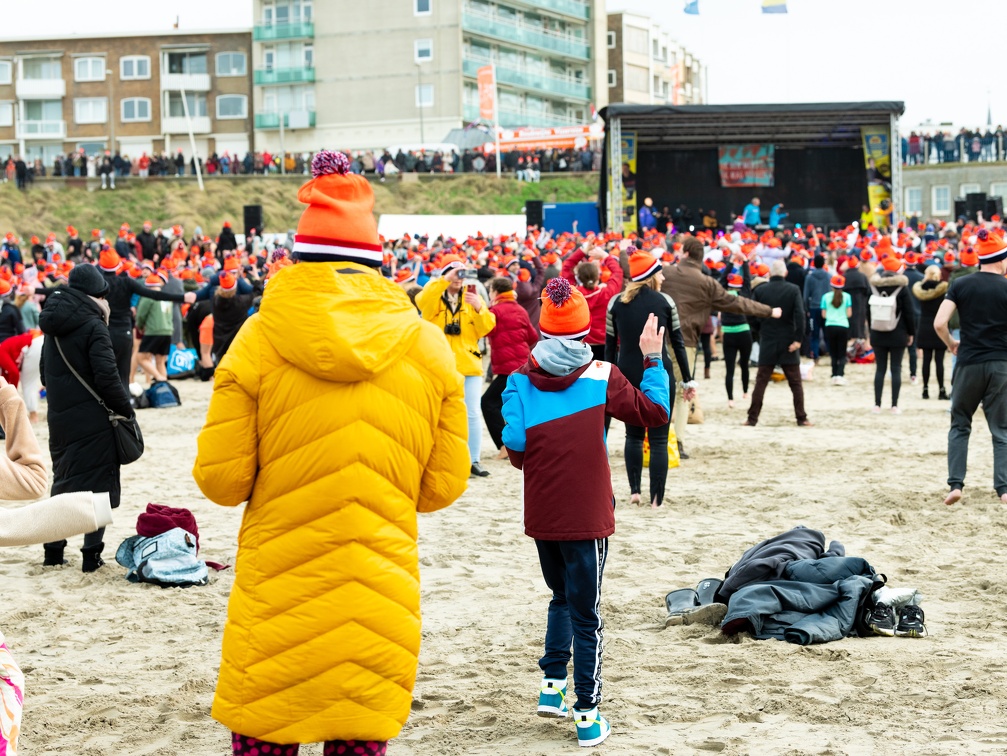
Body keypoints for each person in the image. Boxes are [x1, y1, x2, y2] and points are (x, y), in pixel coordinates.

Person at [193, 150, 470, 756]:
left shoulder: (260, 337)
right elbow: (441, 489)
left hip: (279, 597)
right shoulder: (425, 346)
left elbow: (221, 482)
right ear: (377, 259)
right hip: (376, 591)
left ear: (299, 254)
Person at [501, 283, 670, 749]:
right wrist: (653, 360)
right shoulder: (602, 375)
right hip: (587, 512)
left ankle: (552, 686)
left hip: (542, 508)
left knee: (559, 596)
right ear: (584, 331)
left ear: (542, 329)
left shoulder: (518, 379)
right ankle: (587, 714)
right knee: (587, 613)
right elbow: (654, 412)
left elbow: (515, 448)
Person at [39, 265, 136, 571]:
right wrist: (126, 410)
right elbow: (108, 378)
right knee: (99, 485)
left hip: (60, 417)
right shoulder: (95, 327)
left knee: (65, 482)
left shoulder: (52, 328)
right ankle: (91, 556)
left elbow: (44, 375)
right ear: (98, 296)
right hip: (95, 419)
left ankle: (52, 553)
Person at [662, 236, 779, 457]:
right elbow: (736, 303)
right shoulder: (706, 283)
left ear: (685, 253)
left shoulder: (665, 274)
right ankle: (677, 443)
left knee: (657, 390)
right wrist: (769, 311)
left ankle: (656, 439)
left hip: (657, 340)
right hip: (686, 342)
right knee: (682, 392)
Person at [607, 249, 695, 508]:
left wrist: (608, 379)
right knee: (658, 439)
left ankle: (635, 492)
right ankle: (657, 500)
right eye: (660, 273)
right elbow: (678, 344)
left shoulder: (616, 303)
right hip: (659, 370)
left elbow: (610, 346)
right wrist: (687, 379)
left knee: (632, 436)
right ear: (651, 276)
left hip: (626, 373)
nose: (664, 278)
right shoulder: (665, 301)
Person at [416, 255, 496, 477]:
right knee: (435, 413)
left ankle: (474, 460)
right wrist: (443, 279)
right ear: (444, 274)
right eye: (455, 272)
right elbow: (422, 302)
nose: (459, 277)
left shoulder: (471, 297)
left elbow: (486, 329)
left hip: (467, 363)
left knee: (471, 413)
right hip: (439, 364)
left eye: (462, 272)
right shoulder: (434, 296)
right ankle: (433, 460)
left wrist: (480, 309)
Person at [744, 260, 811, 427]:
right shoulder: (793, 289)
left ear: (769, 274)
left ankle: (752, 419)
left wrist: (759, 331)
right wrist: (798, 339)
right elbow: (800, 315)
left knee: (761, 381)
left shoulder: (761, 290)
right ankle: (801, 418)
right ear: (785, 273)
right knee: (795, 383)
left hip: (767, 339)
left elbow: (751, 313)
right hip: (788, 340)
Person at [482, 276, 538, 459]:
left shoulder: (494, 311)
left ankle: (504, 445)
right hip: (523, 364)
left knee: (489, 403)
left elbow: (485, 330)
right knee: (517, 406)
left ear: (495, 292)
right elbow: (532, 337)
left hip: (507, 367)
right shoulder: (520, 309)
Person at [560, 245, 623, 361]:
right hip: (606, 345)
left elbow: (566, 267)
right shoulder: (606, 293)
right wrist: (605, 256)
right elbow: (618, 273)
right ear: (598, 277)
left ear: (578, 277)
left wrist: (583, 250)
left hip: (581, 344)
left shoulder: (573, 295)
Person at [868, 257, 914, 414]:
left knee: (880, 369)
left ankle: (877, 404)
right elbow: (909, 313)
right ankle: (894, 405)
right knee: (896, 368)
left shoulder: (874, 286)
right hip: (898, 334)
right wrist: (911, 333)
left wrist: (870, 331)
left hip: (877, 333)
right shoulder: (902, 288)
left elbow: (869, 313)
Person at [912, 264, 949, 400]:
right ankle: (941, 389)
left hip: (924, 325)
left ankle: (925, 389)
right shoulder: (943, 289)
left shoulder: (920, 289)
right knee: (939, 361)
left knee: (926, 360)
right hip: (939, 324)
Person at [720, 272, 754, 407]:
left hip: (728, 333)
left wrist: (730, 264)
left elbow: (721, 281)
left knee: (730, 369)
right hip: (743, 332)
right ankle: (745, 392)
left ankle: (730, 399)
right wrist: (745, 262)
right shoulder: (743, 296)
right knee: (745, 364)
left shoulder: (723, 296)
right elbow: (748, 282)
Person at [134, 274, 174, 383]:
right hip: (167, 331)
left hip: (153, 330)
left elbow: (141, 314)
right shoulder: (166, 296)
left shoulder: (149, 296)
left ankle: (159, 378)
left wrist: (140, 326)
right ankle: (164, 384)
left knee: (141, 358)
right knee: (160, 361)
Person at [821, 274, 852, 385]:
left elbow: (823, 315)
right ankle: (840, 374)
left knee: (833, 352)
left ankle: (834, 374)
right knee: (842, 353)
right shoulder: (847, 297)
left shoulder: (825, 297)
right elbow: (849, 314)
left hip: (830, 325)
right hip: (843, 325)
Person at [803, 254, 831, 363]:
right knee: (827, 333)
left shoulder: (809, 277)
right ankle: (830, 353)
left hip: (814, 307)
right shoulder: (829, 276)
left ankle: (815, 355)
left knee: (814, 333)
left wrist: (806, 309)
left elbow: (806, 295)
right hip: (826, 308)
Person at [843, 255, 870, 342]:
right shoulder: (862, 276)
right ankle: (860, 338)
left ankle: (849, 338)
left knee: (849, 321)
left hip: (847, 305)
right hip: (860, 304)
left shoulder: (844, 277)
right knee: (859, 322)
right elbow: (868, 291)